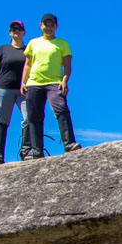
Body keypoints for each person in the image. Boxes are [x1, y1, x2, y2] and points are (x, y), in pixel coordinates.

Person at [20, 13, 81, 159]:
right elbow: (28, 64)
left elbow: (67, 66)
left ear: (56, 26)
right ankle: (36, 150)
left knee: (61, 108)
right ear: (41, 25)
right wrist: (23, 81)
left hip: (54, 82)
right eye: (46, 24)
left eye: (52, 24)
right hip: (34, 83)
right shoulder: (33, 43)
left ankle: (69, 144)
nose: (49, 27)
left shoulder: (62, 44)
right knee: (34, 115)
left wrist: (65, 80)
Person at [0, 20, 32, 164]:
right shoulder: (3, 49)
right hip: (3, 88)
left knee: (29, 117)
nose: (16, 31)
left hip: (23, 89)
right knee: (1, 121)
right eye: (13, 29)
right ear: (9, 32)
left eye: (19, 29)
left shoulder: (29, 50)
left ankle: (26, 151)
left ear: (24, 32)